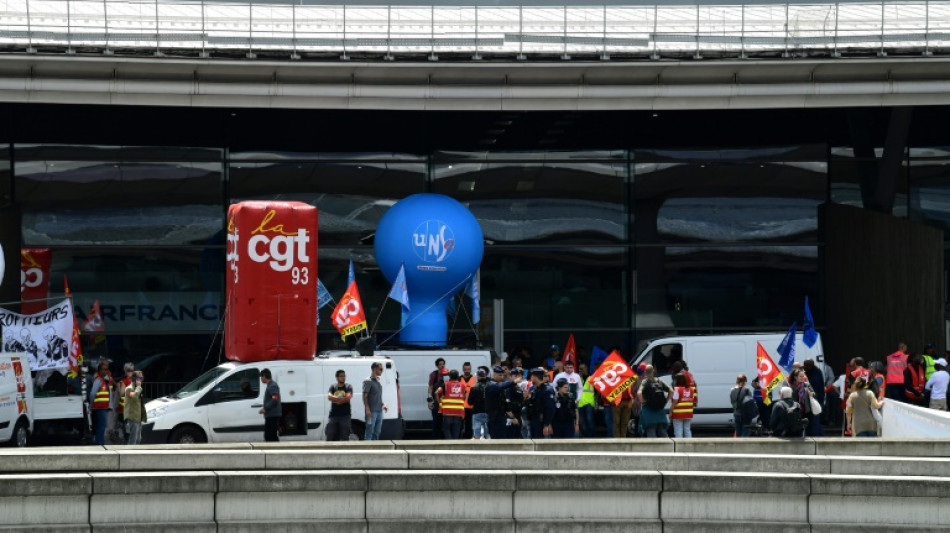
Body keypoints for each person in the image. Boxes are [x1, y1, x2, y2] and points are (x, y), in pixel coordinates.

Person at [637, 365, 671, 438]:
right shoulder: (659, 380)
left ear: (645, 372)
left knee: (651, 431)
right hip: (660, 411)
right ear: (653, 371)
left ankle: (653, 449)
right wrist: (666, 400)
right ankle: (668, 448)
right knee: (662, 432)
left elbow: (639, 393)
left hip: (649, 411)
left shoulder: (645, 381)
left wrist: (643, 401)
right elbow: (671, 390)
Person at [89, 358, 114, 446]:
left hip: (103, 407)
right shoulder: (98, 380)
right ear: (99, 371)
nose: (106, 371)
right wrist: (91, 406)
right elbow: (92, 394)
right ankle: (99, 443)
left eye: (107, 370)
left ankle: (100, 442)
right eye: (104, 370)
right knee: (102, 425)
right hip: (99, 407)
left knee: (102, 425)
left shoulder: (104, 380)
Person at [435, 369, 466, 439]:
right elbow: (464, 396)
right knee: (456, 430)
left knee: (446, 429)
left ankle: (450, 442)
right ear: (458, 377)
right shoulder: (462, 385)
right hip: (459, 411)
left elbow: (436, 392)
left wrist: (439, 402)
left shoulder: (445, 384)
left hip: (447, 411)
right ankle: (454, 444)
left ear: (450, 377)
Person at [525, 367, 556, 439]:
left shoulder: (547, 390)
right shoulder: (534, 389)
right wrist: (526, 399)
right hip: (533, 419)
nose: (531, 378)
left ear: (536, 377)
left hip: (542, 421)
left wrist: (546, 424)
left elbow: (550, 408)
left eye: (532, 376)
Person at [485, 366, 515, 438]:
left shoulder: (501, 386)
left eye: (502, 375)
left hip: (501, 415)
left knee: (503, 435)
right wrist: (513, 382)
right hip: (493, 416)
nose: (502, 377)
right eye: (499, 375)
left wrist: (512, 416)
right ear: (494, 374)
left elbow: (504, 402)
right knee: (495, 436)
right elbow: (499, 387)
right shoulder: (490, 384)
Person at [362, 362, 387, 440]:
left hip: (379, 411)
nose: (382, 371)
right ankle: (368, 450)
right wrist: (367, 409)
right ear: (375, 369)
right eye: (380, 369)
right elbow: (365, 396)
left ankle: (375, 449)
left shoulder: (378, 381)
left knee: (377, 432)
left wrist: (383, 404)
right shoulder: (368, 381)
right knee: (369, 431)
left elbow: (378, 396)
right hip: (372, 411)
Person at [326, 369, 353, 441]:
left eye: (344, 376)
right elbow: (329, 396)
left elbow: (348, 398)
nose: (343, 377)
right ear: (337, 377)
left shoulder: (348, 386)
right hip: (333, 416)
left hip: (345, 416)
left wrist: (336, 400)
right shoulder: (333, 386)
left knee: (345, 436)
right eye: (341, 376)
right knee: (330, 435)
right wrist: (341, 399)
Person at [802, 359, 825, 436]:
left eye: (805, 365)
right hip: (815, 398)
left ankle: (817, 435)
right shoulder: (816, 372)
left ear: (809, 365)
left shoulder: (815, 374)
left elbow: (812, 387)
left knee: (815, 419)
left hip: (815, 399)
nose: (804, 367)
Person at [426, 358, 448, 439]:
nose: (442, 366)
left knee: (445, 421)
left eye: (443, 364)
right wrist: (430, 400)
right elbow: (430, 387)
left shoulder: (447, 374)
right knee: (436, 420)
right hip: (436, 401)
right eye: (440, 364)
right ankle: (436, 438)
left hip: (446, 401)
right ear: (437, 365)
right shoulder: (433, 375)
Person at [259, 368, 281, 442]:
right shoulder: (270, 385)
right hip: (271, 415)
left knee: (269, 436)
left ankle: (274, 451)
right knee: (272, 436)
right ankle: (275, 451)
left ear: (264, 376)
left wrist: (266, 408)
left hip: (272, 415)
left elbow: (275, 398)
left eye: (261, 377)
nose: (261, 379)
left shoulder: (272, 386)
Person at [124, 371, 145, 445]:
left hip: (138, 419)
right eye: (140, 378)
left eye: (142, 378)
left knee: (138, 439)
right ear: (134, 379)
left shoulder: (137, 389)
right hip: (132, 418)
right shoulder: (129, 389)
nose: (141, 380)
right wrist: (139, 387)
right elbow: (134, 397)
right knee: (132, 440)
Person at [670, 373, 694, 438]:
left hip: (678, 414)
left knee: (678, 431)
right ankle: (689, 445)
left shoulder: (677, 389)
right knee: (687, 430)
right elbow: (692, 400)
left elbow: (674, 402)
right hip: (688, 413)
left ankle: (679, 446)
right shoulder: (691, 389)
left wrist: (670, 412)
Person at [115, 362, 134, 444]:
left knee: (126, 426)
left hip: (124, 408)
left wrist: (118, 386)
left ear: (125, 371)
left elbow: (122, 393)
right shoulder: (134, 381)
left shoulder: (124, 381)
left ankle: (127, 442)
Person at [505, 369, 526, 438]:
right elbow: (506, 405)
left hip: (518, 415)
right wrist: (512, 417)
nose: (517, 377)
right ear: (511, 376)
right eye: (515, 376)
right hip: (511, 416)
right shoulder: (508, 388)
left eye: (518, 376)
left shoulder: (518, 388)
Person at [469, 368, 489, 439]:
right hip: (488, 412)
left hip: (477, 412)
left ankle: (477, 448)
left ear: (478, 377)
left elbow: (469, 402)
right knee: (487, 434)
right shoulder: (489, 386)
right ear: (485, 376)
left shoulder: (474, 387)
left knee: (477, 433)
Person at [577, 373, 597, 438]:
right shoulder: (578, 379)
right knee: (583, 423)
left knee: (590, 421)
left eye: (582, 369)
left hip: (589, 403)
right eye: (580, 369)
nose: (581, 370)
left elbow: (597, 390)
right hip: (580, 403)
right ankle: (587, 437)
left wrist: (596, 402)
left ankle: (592, 437)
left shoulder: (592, 378)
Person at [460, 362, 476, 439]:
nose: (467, 371)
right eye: (465, 369)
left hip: (470, 406)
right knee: (459, 424)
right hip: (460, 406)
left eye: (468, 369)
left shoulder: (474, 379)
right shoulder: (459, 378)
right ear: (463, 369)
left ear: (470, 369)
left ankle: (468, 438)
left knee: (469, 424)